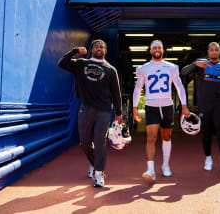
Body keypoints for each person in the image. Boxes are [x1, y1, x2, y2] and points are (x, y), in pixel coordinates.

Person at [58, 39, 123, 187]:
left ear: (105, 51)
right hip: (86, 108)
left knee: (100, 142)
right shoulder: (81, 64)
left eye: (102, 46)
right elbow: (61, 63)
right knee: (85, 143)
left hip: (104, 111)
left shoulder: (110, 70)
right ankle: (94, 164)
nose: (99, 48)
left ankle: (99, 174)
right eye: (96, 46)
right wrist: (74, 51)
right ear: (91, 49)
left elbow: (116, 94)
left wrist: (119, 114)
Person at [133, 39, 190, 182]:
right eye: (154, 48)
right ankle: (150, 169)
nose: (157, 50)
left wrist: (184, 105)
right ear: (150, 51)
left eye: (159, 47)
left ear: (163, 50)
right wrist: (134, 107)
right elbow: (138, 88)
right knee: (151, 137)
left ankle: (165, 165)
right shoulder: (143, 68)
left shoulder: (171, 67)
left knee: (166, 136)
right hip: (151, 105)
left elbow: (179, 86)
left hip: (167, 106)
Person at [181, 42, 220, 175]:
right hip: (204, 105)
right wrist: (195, 64)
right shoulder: (201, 65)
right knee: (206, 133)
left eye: (216, 50)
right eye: (211, 50)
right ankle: (208, 159)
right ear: (208, 52)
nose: (213, 52)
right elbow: (183, 72)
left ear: (218, 52)